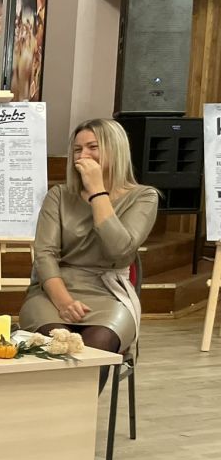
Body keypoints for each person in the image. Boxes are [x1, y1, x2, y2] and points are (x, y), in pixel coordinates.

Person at [20, 118, 159, 353]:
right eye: (77, 149)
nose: (82, 156)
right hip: (55, 290)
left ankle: (86, 380)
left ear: (115, 149)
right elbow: (45, 255)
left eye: (92, 147)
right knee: (56, 341)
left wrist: (97, 191)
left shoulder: (144, 197)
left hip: (109, 292)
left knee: (99, 342)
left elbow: (119, 251)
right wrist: (64, 302)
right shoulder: (59, 195)